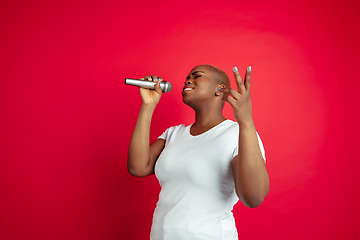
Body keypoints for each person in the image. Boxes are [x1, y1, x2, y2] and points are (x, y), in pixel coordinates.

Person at [127, 64, 269, 240]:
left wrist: (246, 122)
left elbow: (253, 198)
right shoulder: (174, 133)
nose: (188, 79)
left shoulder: (237, 134)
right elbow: (138, 167)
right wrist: (148, 106)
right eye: (188, 76)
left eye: (197, 76)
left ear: (220, 90)